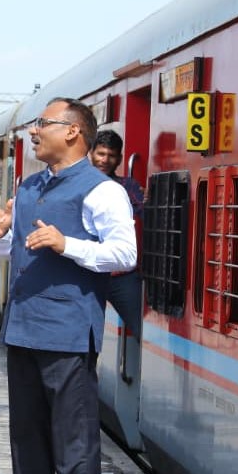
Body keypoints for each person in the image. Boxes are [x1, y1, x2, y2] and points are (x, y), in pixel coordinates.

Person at [0, 97, 136, 474]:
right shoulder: (29, 187)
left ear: (72, 132)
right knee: (27, 434)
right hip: (24, 326)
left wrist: (67, 243)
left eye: (43, 123)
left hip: (68, 331)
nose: (33, 132)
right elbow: (19, 251)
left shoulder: (103, 191)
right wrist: (3, 234)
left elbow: (125, 254)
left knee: (73, 438)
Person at [90, 130, 144, 342]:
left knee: (143, 329)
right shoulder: (78, 184)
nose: (105, 160)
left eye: (111, 155)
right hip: (86, 272)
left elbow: (144, 213)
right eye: (101, 153)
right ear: (91, 153)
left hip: (120, 275)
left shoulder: (128, 187)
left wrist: (149, 201)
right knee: (84, 333)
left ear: (119, 159)